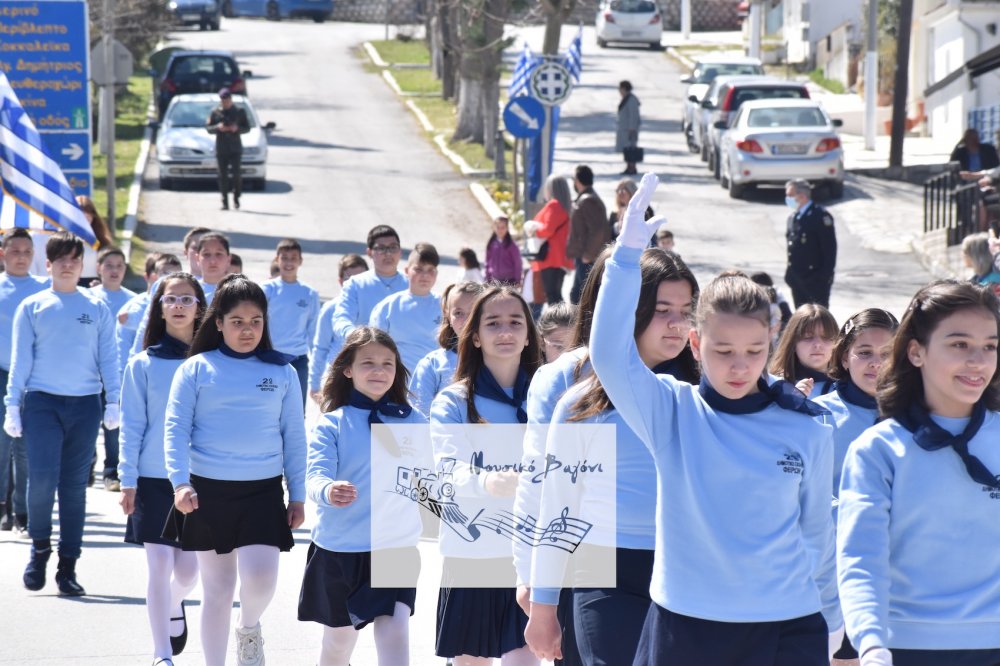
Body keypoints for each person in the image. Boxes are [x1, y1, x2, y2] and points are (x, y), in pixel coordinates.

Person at [589, 174, 842, 664]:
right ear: (696, 345)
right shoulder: (671, 411)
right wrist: (625, 259)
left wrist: (833, 620)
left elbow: (817, 532)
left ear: (771, 344)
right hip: (685, 624)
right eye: (723, 350)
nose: (740, 365)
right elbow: (608, 355)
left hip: (786, 626)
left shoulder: (807, 425)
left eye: (753, 350)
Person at [525, 248, 700, 666]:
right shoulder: (579, 403)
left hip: (686, 569)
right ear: (631, 312)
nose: (676, 323)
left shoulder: (702, 402)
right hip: (602, 568)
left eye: (686, 310)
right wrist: (543, 604)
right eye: (662, 309)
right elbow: (554, 507)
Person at [838, 281, 1000, 666]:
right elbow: (861, 556)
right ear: (916, 351)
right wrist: (872, 644)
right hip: (903, 647)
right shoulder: (877, 449)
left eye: (990, 346)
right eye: (959, 344)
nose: (978, 360)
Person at [164, 274, 306, 666]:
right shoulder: (195, 369)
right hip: (208, 491)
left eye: (256, 321)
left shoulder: (283, 372)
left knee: (261, 580)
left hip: (262, 491)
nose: (248, 330)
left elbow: (294, 436)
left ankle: (248, 629)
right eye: (238, 322)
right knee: (219, 588)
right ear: (219, 323)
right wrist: (179, 482)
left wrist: (297, 494)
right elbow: (175, 429)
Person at [298, 326, 426, 666]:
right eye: (368, 362)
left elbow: (437, 472)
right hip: (341, 548)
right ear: (348, 369)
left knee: (395, 631)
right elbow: (315, 477)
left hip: (395, 547)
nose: (379, 370)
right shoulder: (332, 424)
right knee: (339, 643)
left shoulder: (414, 422)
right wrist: (328, 490)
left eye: (388, 363)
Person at [430, 285, 543, 666]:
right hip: (473, 552)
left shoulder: (548, 398)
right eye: (493, 323)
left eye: (515, 322)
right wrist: (485, 482)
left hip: (531, 553)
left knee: (524, 660)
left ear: (530, 334)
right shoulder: (454, 400)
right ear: (474, 337)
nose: (506, 331)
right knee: (471, 662)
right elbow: (445, 468)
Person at [5, 232, 121, 596]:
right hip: (41, 403)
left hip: (85, 404)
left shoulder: (97, 306)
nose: (69, 265)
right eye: (61, 259)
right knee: (40, 480)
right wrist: (12, 403)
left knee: (73, 489)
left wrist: (114, 400)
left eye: (75, 258)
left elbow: (109, 356)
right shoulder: (34, 305)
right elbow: (21, 359)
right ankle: (40, 549)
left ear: (82, 263)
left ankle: (68, 566)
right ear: (49, 263)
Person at [118, 272, 208, 665]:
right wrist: (127, 480)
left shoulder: (211, 363)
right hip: (153, 479)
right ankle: (161, 655)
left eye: (187, 299)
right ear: (159, 307)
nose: (178, 306)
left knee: (187, 572)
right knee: (158, 565)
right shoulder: (142, 364)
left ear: (201, 307)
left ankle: (175, 601)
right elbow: (132, 424)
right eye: (171, 299)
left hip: (199, 478)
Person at [0, 229, 48, 534]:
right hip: (1, 373)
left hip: (33, 378)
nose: (21, 256)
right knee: (2, 445)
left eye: (27, 251)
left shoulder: (44, 289)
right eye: (14, 250)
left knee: (25, 449)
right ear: (3, 253)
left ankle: (22, 510)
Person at [90, 247, 137, 492]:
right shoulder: (89, 296)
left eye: (119, 265)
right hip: (89, 371)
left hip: (117, 373)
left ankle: (112, 471)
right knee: (89, 423)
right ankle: (88, 464)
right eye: (109, 265)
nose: (114, 270)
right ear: (99, 268)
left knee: (114, 426)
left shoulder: (132, 300)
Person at [409, 281, 484, 418]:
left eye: (474, 312)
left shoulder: (501, 360)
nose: (467, 320)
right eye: (458, 313)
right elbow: (420, 415)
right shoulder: (432, 364)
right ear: (448, 315)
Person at [262, 238, 320, 406]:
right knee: (270, 407)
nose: (289, 262)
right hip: (271, 357)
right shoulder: (267, 289)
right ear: (277, 259)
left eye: (293, 258)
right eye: (284, 257)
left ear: (300, 261)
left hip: (298, 360)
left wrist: (316, 362)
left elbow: (313, 330)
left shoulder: (309, 293)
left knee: (296, 408)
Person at [369, 243, 442, 374]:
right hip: (397, 380)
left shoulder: (446, 306)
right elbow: (375, 348)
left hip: (435, 379)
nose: (425, 275)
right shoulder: (387, 307)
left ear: (436, 273)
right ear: (407, 271)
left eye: (430, 270)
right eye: (418, 269)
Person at [332, 226, 407, 346]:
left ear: (400, 251)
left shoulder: (411, 283)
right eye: (381, 248)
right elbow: (341, 318)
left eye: (393, 247)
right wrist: (356, 336)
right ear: (369, 253)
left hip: (406, 359)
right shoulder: (355, 284)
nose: (388, 253)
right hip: (367, 354)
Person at [309, 254, 369, 404]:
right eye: (349, 279)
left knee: (374, 425)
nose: (353, 283)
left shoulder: (376, 307)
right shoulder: (330, 309)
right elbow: (320, 348)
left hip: (370, 378)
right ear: (340, 281)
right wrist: (315, 384)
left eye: (359, 278)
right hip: (339, 380)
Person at [117, 253, 183, 381]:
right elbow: (128, 342)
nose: (171, 278)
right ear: (154, 277)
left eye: (176, 274)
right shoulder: (137, 305)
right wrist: (126, 372)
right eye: (166, 273)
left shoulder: (183, 304)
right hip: (145, 368)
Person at [524, 175, 574, 316]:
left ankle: (562, 324)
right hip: (559, 257)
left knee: (553, 295)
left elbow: (547, 230)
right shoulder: (564, 206)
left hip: (551, 257)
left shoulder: (554, 205)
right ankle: (563, 323)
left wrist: (533, 229)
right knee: (555, 295)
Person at [784, 179, 837, 308]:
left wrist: (823, 277)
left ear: (802, 195)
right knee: (800, 319)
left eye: (790, 195)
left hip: (815, 280)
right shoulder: (793, 218)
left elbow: (829, 250)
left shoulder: (820, 217)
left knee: (818, 320)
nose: (787, 199)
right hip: (797, 278)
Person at [770, 304, 839, 398]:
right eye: (808, 337)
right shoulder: (775, 385)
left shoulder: (846, 388)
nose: (818, 344)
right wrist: (792, 401)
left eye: (826, 337)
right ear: (793, 343)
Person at [566, 166, 609, 305]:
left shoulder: (588, 200)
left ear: (577, 180)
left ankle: (581, 326)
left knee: (581, 297)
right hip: (584, 257)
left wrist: (588, 255)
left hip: (588, 259)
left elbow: (597, 231)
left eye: (573, 179)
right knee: (576, 296)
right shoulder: (586, 198)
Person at [206, 88, 250, 211]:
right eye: (223, 100)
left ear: (231, 99)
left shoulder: (239, 112)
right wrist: (218, 127)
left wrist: (236, 128)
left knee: (236, 174)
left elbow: (247, 128)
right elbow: (208, 128)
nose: (225, 102)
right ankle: (224, 201)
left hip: (235, 147)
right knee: (222, 175)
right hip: (222, 148)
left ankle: (236, 197)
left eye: (227, 99)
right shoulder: (216, 112)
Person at [484, 217, 522, 286]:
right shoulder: (491, 244)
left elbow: (517, 263)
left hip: (509, 281)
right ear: (494, 228)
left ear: (507, 228)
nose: (500, 230)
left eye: (503, 227)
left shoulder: (512, 245)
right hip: (494, 281)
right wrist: (487, 278)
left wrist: (518, 280)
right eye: (498, 227)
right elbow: (487, 262)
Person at [616, 80, 641, 176]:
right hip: (625, 129)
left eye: (620, 89)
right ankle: (628, 166)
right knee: (627, 149)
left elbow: (633, 115)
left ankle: (632, 167)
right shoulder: (626, 98)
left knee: (631, 149)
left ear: (624, 88)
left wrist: (632, 128)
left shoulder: (631, 100)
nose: (619, 91)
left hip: (629, 130)